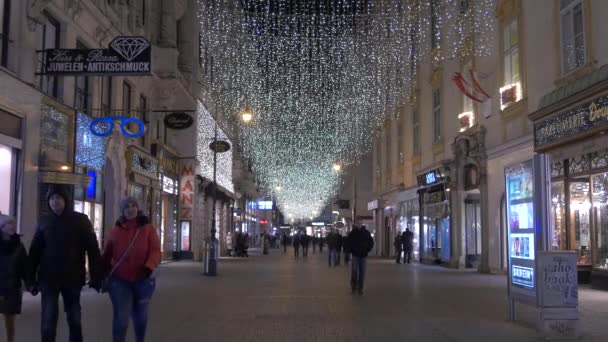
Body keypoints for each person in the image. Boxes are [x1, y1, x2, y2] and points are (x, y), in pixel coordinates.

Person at [29, 184, 102, 342]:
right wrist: (30, 280)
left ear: (66, 200)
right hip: (48, 278)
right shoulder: (44, 221)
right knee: (48, 320)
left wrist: (97, 276)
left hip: (73, 277)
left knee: (74, 319)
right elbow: (35, 251)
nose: (55, 201)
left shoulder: (80, 220)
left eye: (58, 198)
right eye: (52, 198)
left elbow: (93, 249)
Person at [102, 197, 161, 342]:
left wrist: (149, 266)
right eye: (127, 207)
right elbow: (107, 253)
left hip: (143, 279)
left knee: (140, 317)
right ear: (122, 211)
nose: (130, 209)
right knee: (121, 318)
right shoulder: (116, 230)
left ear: (137, 208)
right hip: (120, 280)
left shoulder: (147, 229)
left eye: (133, 206)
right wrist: (101, 272)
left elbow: (155, 250)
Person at [0, 215, 28, 342]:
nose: (12, 226)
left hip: (12, 287)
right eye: (8, 224)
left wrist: (30, 283)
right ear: (2, 227)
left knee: (10, 319)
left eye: (13, 224)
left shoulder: (19, 246)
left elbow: (24, 267)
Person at [347, 225, 374, 295]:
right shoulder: (353, 233)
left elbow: (371, 242)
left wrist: (367, 249)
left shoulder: (366, 233)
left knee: (362, 272)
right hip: (356, 255)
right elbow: (348, 242)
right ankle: (354, 286)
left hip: (363, 255)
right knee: (355, 271)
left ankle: (360, 288)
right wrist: (352, 250)